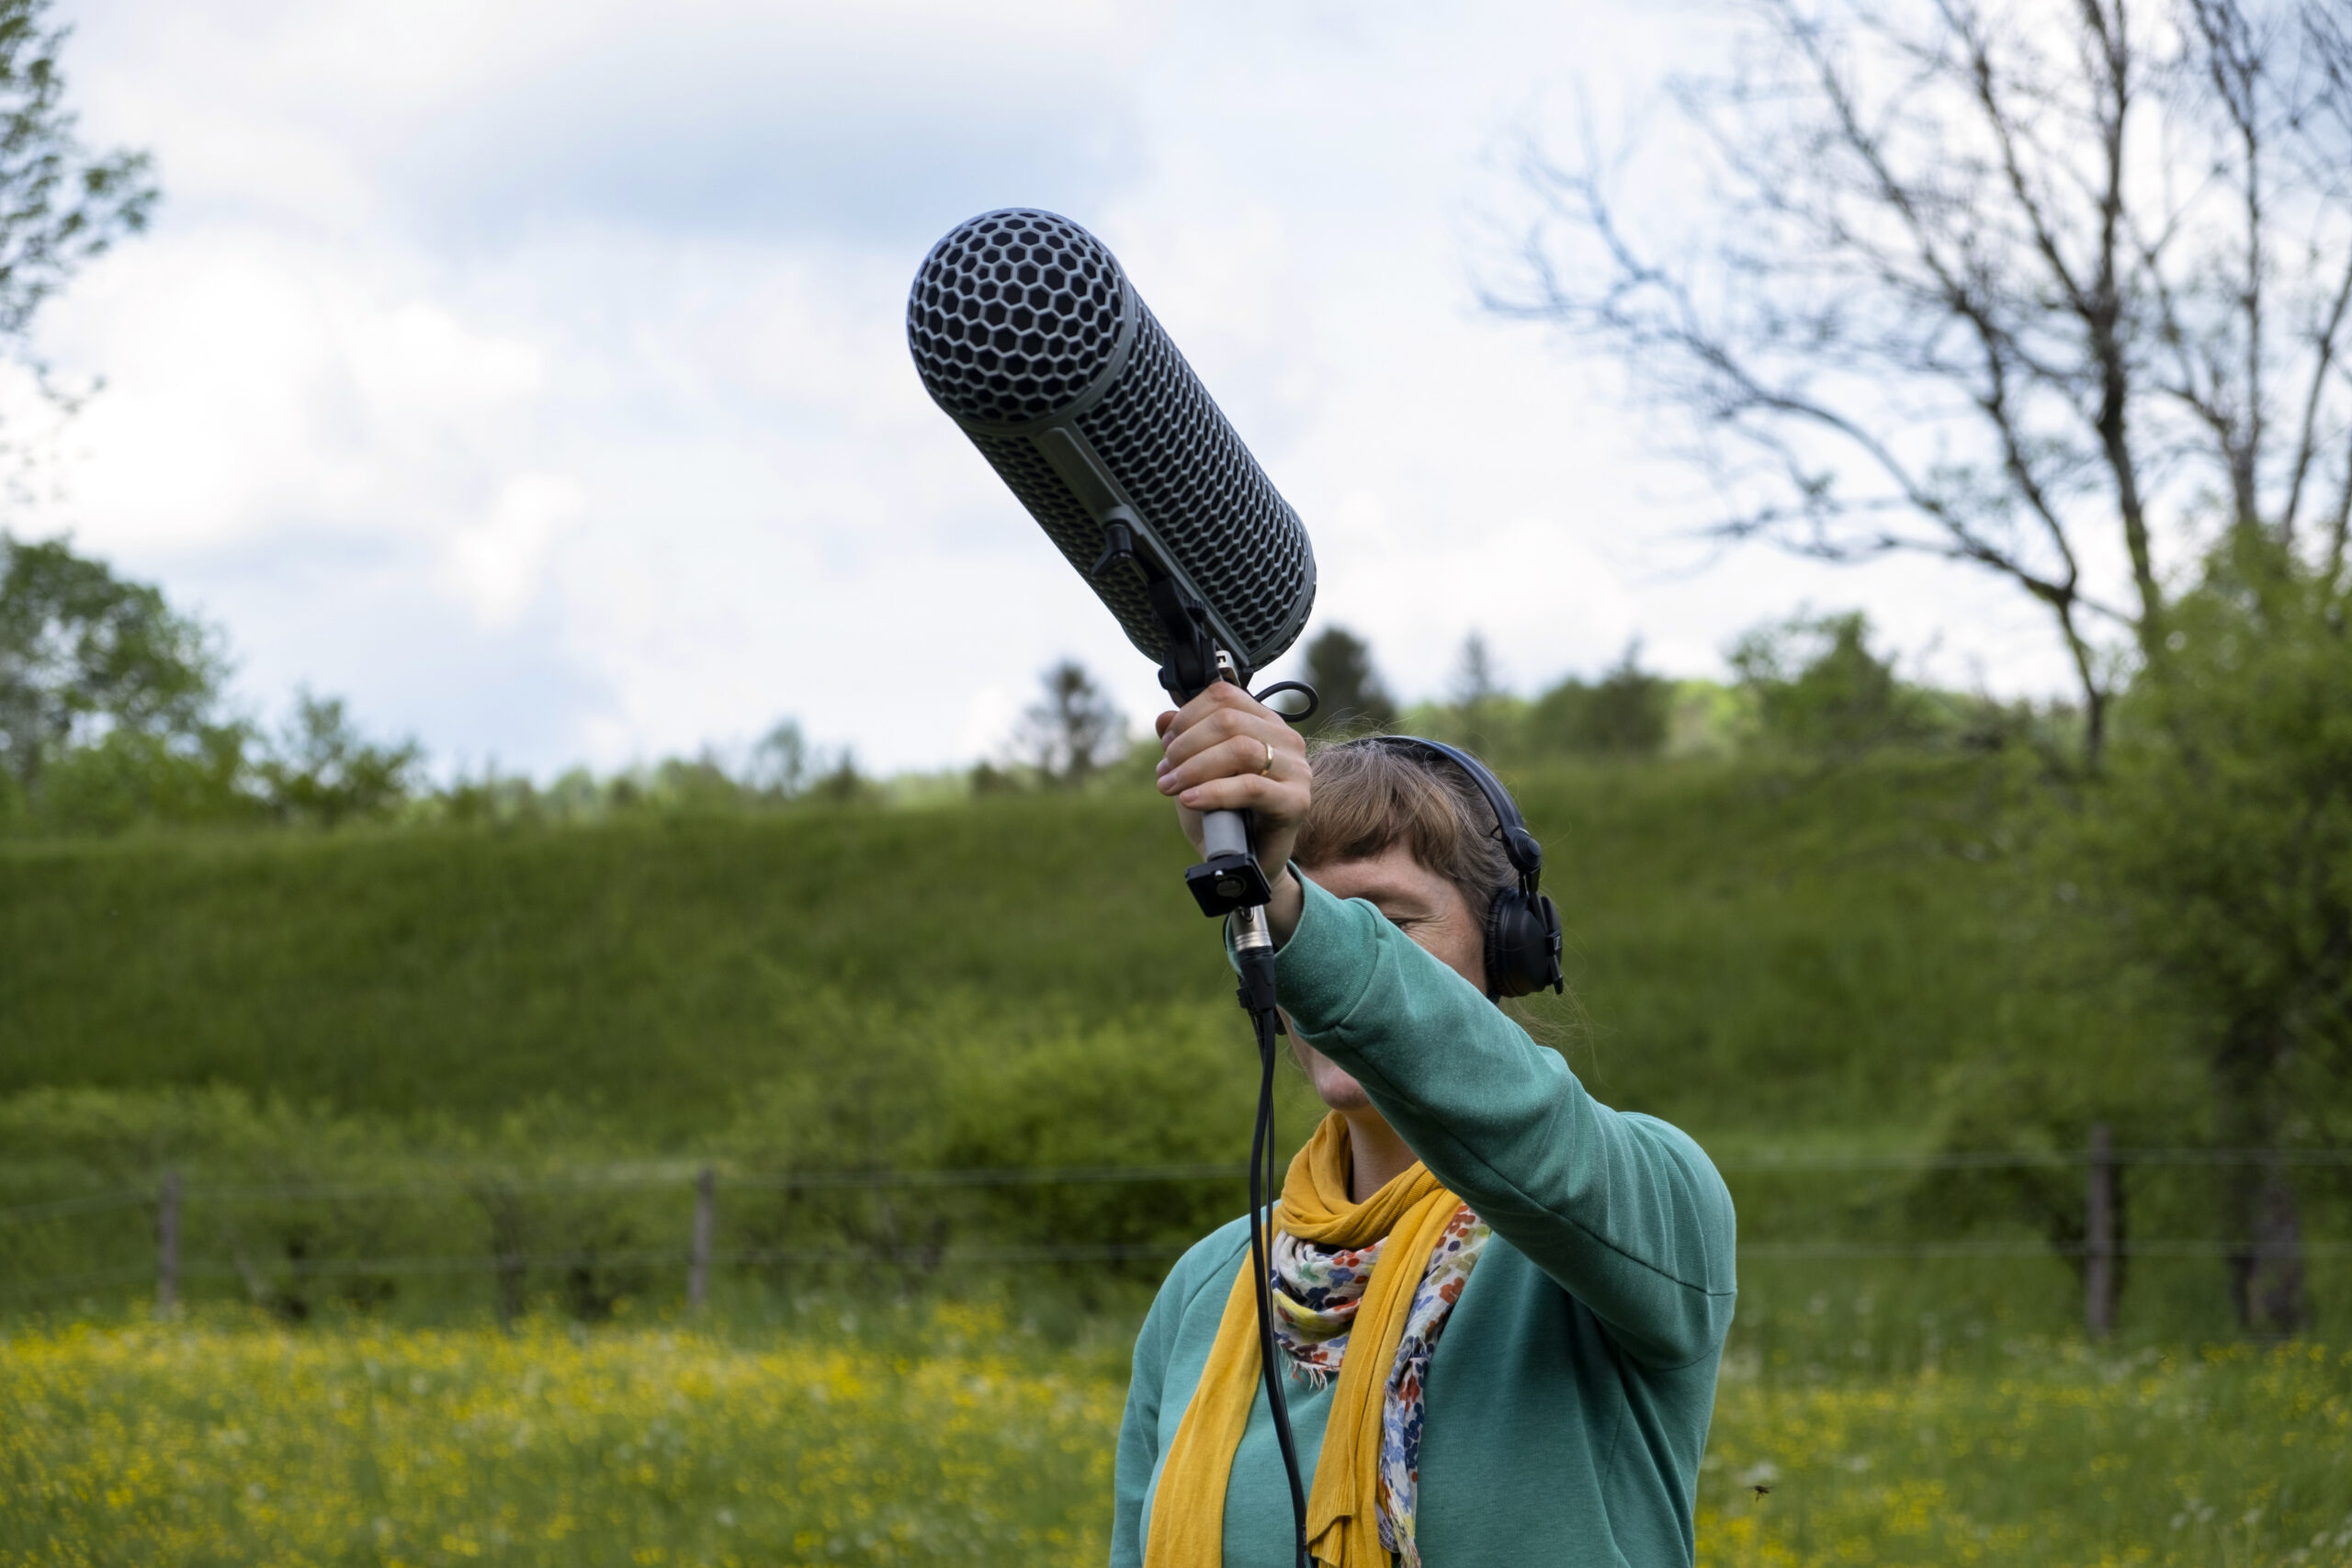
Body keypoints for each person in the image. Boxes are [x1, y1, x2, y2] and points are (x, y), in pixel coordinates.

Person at [1113, 681, 1737, 1568]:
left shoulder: (1650, 1202)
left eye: (1389, 921)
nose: (1322, 976)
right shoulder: (1207, 1288)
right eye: (1313, 928)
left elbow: (1536, 1136)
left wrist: (1291, 909)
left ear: (1507, 949)